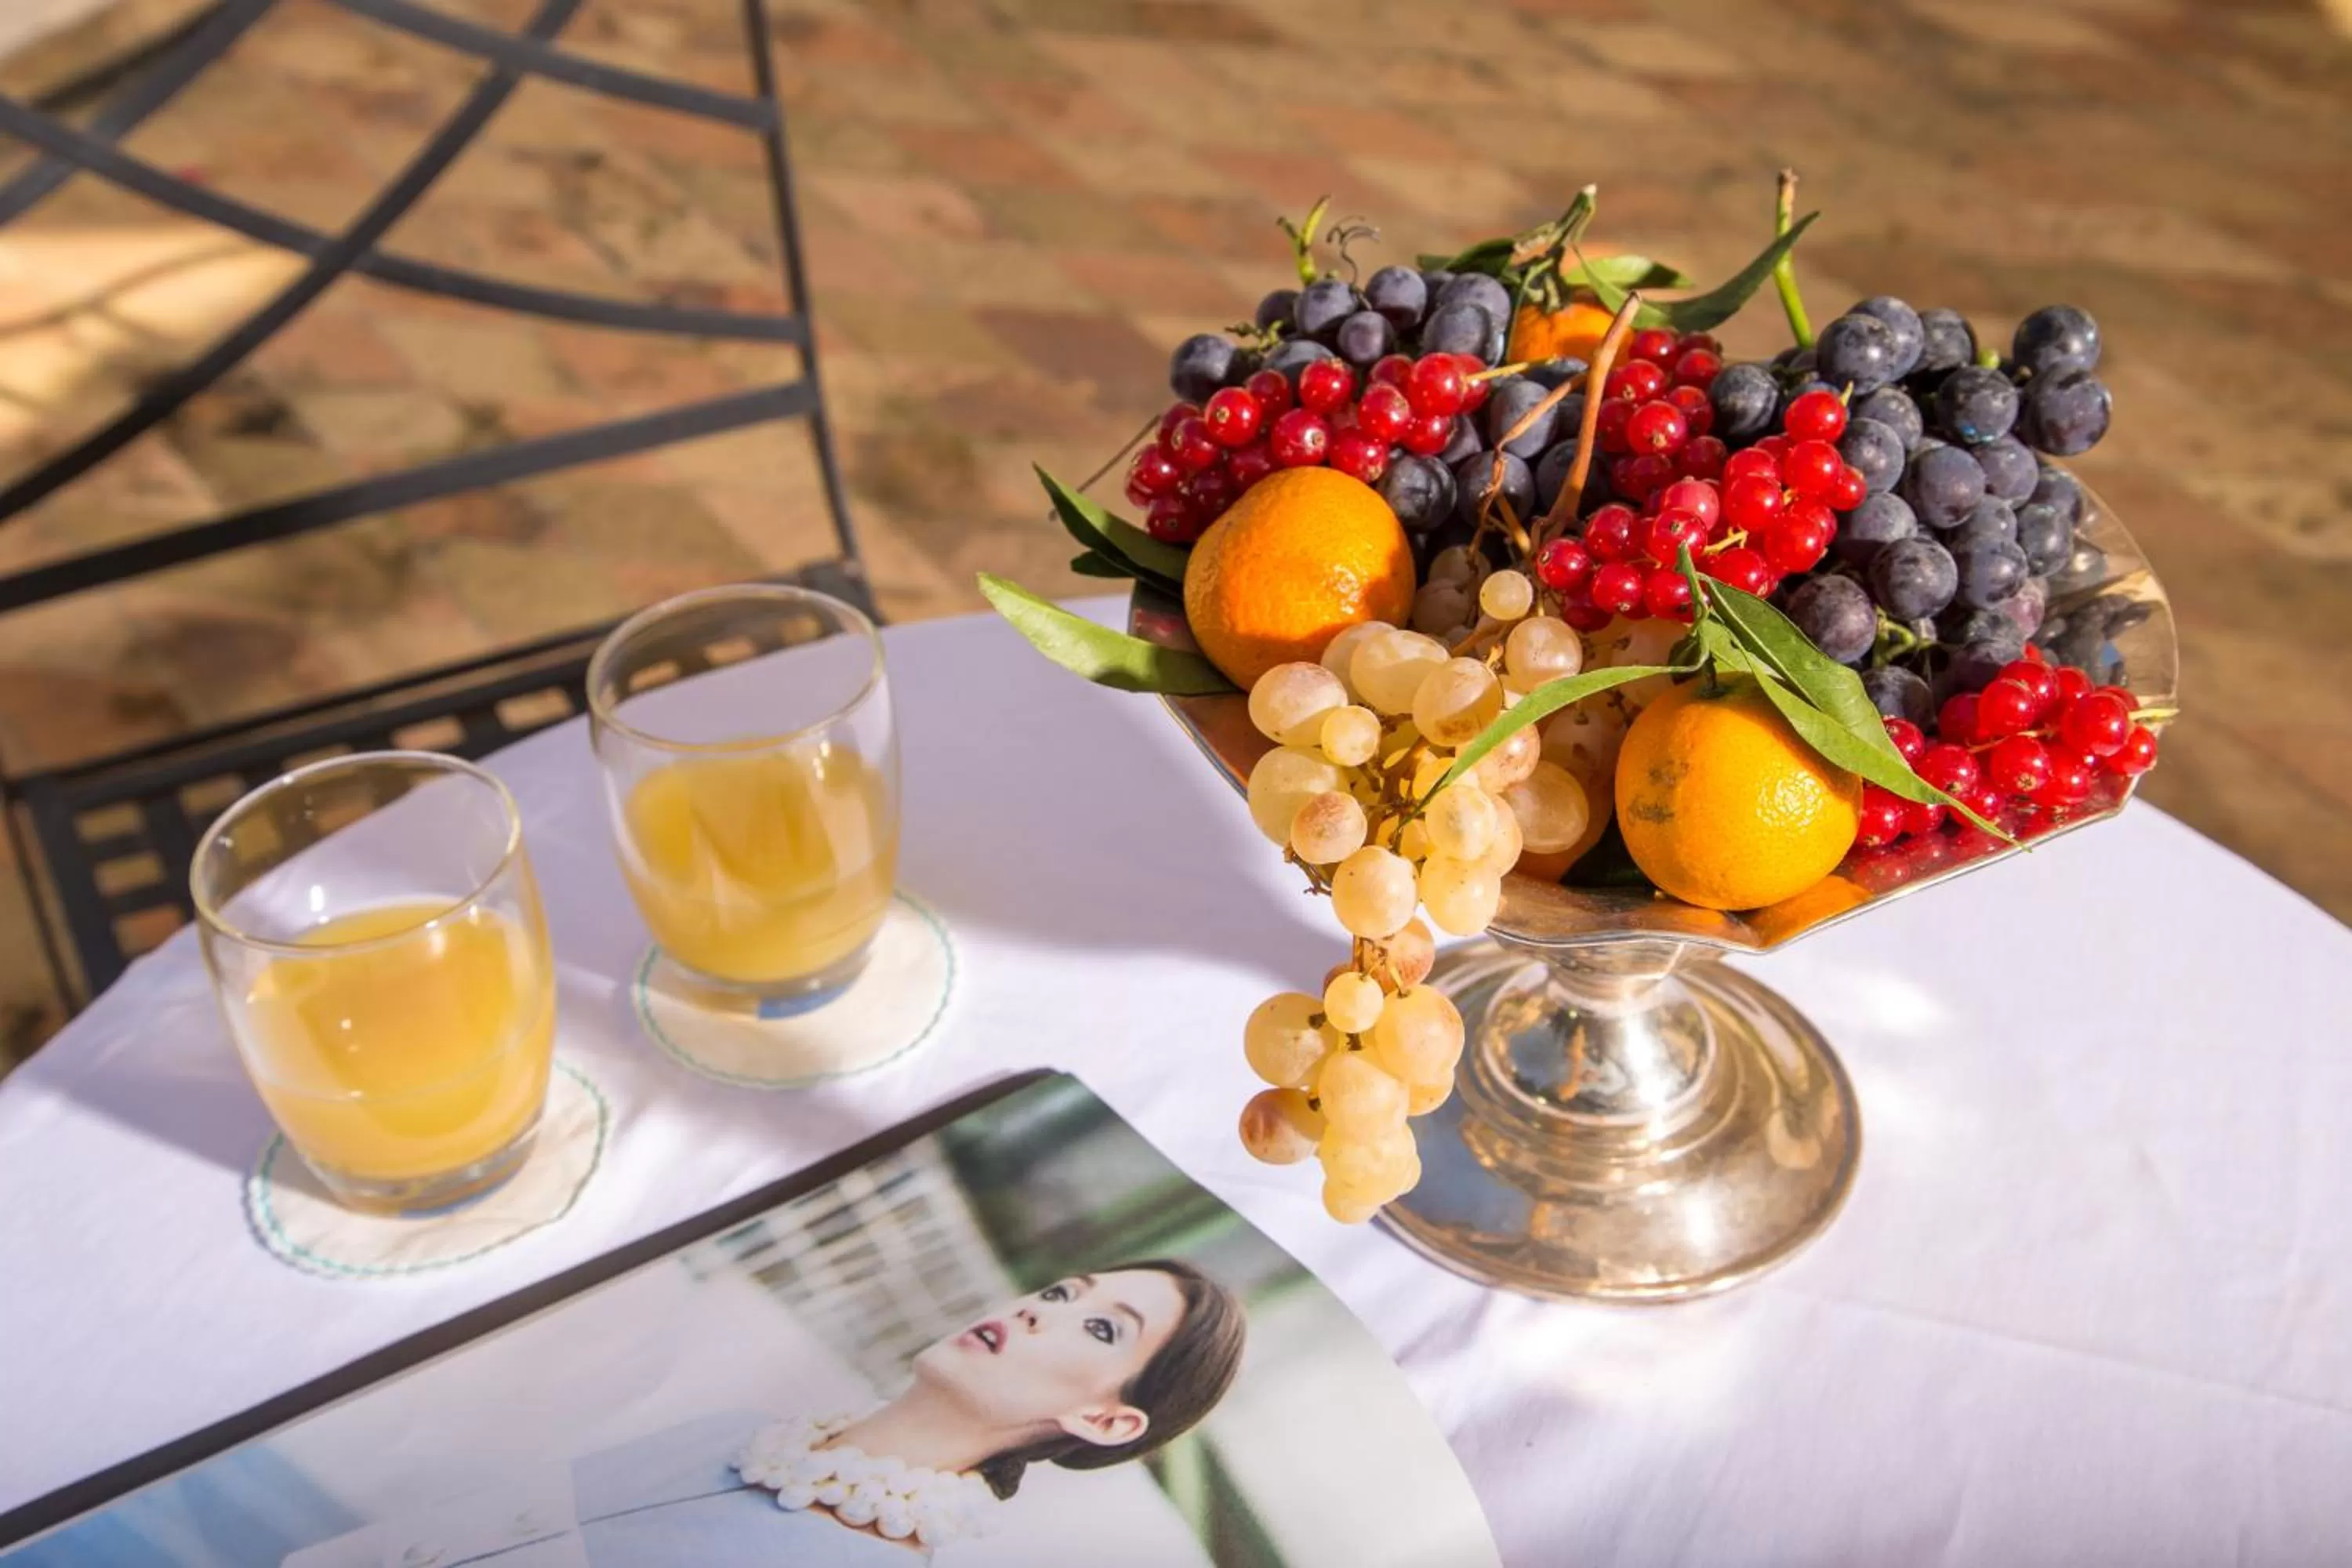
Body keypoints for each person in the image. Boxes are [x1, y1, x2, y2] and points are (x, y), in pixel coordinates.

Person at [282, 1259, 1247, 1565]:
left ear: (1108, 1420)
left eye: (1103, 1329)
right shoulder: (743, 1431)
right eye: (1060, 1287)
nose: (1042, 1306)